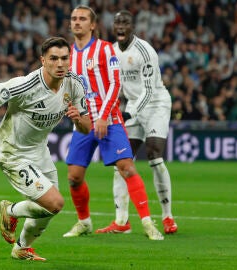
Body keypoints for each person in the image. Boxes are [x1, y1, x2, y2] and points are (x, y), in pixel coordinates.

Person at [0, 36, 91, 261]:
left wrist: (78, 119)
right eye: (53, 59)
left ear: (70, 59)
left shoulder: (75, 83)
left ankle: (21, 248)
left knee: (50, 209)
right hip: (13, 152)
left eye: (64, 58)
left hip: (39, 150)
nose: (60, 64)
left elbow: (86, 127)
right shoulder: (27, 84)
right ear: (43, 60)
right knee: (55, 202)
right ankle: (9, 211)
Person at [63, 5, 164, 240]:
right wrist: (74, 112)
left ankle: (148, 223)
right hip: (83, 121)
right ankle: (84, 222)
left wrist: (103, 116)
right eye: (74, 19)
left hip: (109, 120)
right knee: (74, 177)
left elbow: (115, 84)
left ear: (92, 25)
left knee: (127, 168)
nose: (77, 22)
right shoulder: (68, 55)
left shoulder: (105, 49)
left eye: (82, 19)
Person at [96, 10, 177, 234]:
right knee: (122, 160)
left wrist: (130, 114)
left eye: (125, 22)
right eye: (117, 22)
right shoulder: (111, 51)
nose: (121, 26)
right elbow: (112, 84)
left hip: (156, 104)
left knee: (154, 155)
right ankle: (121, 222)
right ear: (113, 26)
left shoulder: (145, 50)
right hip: (131, 107)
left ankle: (168, 217)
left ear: (133, 27)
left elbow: (149, 89)